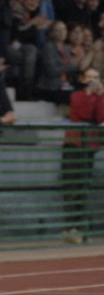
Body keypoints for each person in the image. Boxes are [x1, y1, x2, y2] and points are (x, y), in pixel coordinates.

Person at [60, 66, 104, 244]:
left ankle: (77, 227)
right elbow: (83, 113)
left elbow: (101, 118)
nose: (93, 81)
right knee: (71, 186)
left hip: (89, 146)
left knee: (83, 186)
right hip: (73, 145)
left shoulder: (101, 97)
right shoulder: (76, 96)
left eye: (96, 77)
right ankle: (69, 227)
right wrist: (90, 95)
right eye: (89, 77)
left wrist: (100, 96)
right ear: (83, 79)